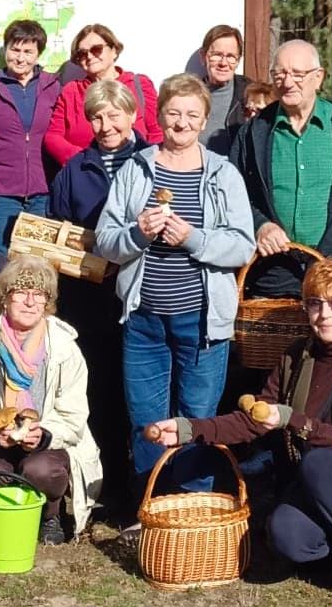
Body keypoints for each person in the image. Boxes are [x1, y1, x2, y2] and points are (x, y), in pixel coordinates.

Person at [149, 259, 332, 607]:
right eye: (315, 303)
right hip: (323, 479)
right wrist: (190, 429)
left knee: (321, 461)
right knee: (285, 533)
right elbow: (254, 421)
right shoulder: (297, 355)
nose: (325, 314)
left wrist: (293, 420)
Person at [95, 74, 255, 496]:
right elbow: (106, 241)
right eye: (173, 113)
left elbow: (242, 246)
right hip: (143, 319)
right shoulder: (136, 169)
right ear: (159, 115)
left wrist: (193, 238)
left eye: (191, 115)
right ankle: (152, 508)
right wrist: (137, 234)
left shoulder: (223, 174)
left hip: (202, 321)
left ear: (204, 121)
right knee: (147, 420)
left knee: (196, 418)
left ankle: (192, 509)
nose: (181, 123)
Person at [0, 255, 104, 545]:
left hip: (48, 445)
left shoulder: (65, 349)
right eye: (20, 292)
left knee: (42, 470)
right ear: (4, 299)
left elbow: (73, 417)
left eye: (40, 294)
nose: (30, 302)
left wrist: (43, 435)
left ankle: (49, 515)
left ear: (49, 302)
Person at [228, 39, 332, 298]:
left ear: (319, 77)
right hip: (275, 270)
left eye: (298, 74)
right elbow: (233, 193)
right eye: (279, 74)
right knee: (276, 340)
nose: (288, 82)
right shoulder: (253, 133)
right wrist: (259, 224)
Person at [47, 76, 142, 509]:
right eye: (96, 118)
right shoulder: (73, 171)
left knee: (137, 393)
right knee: (98, 392)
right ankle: (106, 484)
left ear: (132, 115)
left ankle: (143, 485)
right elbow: (56, 233)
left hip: (140, 294)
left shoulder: (151, 163)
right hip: (90, 299)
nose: (105, 125)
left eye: (113, 115)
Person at [0, 19, 61, 253]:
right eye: (15, 49)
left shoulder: (53, 87)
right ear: (5, 49)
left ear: (38, 55)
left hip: (41, 194)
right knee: (1, 263)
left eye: (28, 51)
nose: (20, 58)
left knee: (37, 261)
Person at [43, 24, 159, 168]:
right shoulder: (71, 91)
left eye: (96, 49)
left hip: (135, 171)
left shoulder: (139, 85)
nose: (90, 56)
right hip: (89, 173)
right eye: (82, 53)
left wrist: (144, 163)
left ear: (114, 50)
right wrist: (84, 160)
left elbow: (157, 132)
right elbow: (53, 137)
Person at [196, 24, 252, 149]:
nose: (223, 63)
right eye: (217, 55)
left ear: (238, 61)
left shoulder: (250, 94)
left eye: (231, 56)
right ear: (203, 56)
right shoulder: (190, 94)